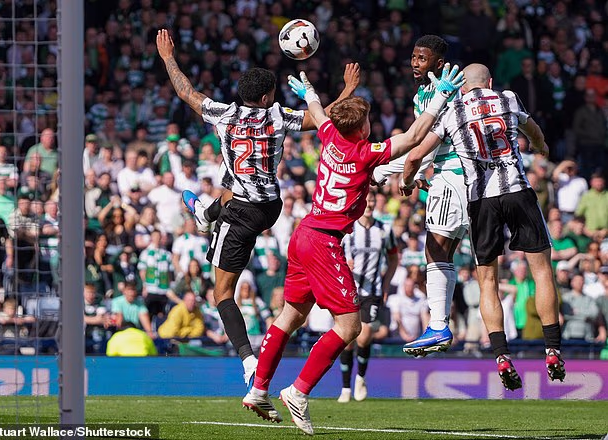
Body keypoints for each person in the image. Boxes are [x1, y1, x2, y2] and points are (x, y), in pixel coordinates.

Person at [242, 63, 463, 432]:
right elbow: (412, 137)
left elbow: (318, 114)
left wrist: (310, 93)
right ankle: (298, 391)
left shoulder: (330, 137)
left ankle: (258, 389)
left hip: (303, 234)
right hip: (324, 241)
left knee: (290, 316)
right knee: (350, 326)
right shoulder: (364, 152)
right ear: (362, 128)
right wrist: (440, 97)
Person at [156, 28, 360, 390]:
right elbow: (322, 117)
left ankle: (248, 360)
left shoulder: (224, 115)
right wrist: (347, 89)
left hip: (242, 212)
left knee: (221, 294)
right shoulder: (278, 116)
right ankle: (206, 213)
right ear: (266, 97)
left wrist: (168, 58)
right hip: (271, 206)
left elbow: (187, 92)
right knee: (229, 181)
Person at [402, 63, 565, 391]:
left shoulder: (452, 111)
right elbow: (534, 132)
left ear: (462, 88)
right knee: (542, 272)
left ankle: (501, 355)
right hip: (518, 192)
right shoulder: (507, 98)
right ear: (490, 82)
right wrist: (541, 147)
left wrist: (408, 179)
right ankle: (552, 349)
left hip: (480, 202)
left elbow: (416, 154)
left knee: (488, 281)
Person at [373, 35, 469, 357]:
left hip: (453, 175)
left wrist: (389, 172)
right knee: (446, 253)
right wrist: (406, 173)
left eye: (422, 58)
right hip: (450, 175)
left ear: (439, 63)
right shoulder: (422, 94)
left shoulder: (446, 92)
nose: (415, 63)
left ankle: (439, 326)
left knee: (435, 251)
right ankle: (442, 326)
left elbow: (426, 148)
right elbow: (419, 145)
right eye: (413, 57)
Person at [337, 190, 399, 403]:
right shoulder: (348, 229)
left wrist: (386, 283)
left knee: (364, 336)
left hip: (372, 291)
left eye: (373, 200)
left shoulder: (384, 230)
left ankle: (360, 378)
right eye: (367, 200)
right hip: (348, 290)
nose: (370, 204)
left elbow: (393, 259)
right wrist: (344, 264)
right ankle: (345, 387)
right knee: (347, 340)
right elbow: (333, 255)